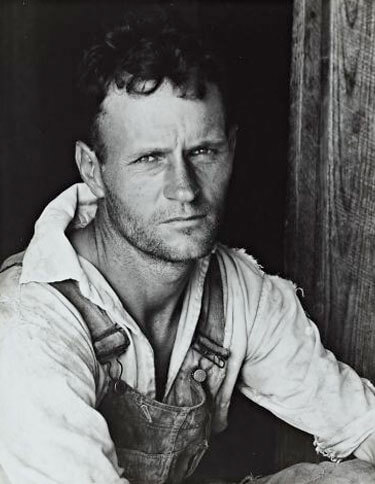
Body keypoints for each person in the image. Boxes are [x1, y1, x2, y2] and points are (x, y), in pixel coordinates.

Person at [0, 7, 375, 484]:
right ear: (92, 169)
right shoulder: (28, 327)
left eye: (202, 152)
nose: (185, 189)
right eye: (150, 159)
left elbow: (360, 422)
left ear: (231, 150)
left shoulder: (236, 292)